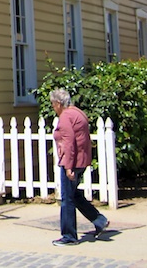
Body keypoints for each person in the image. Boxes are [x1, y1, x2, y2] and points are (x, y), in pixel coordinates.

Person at [49, 88, 109, 247]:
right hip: (81, 161)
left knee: (67, 199)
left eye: (53, 104)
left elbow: (69, 143)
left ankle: (69, 236)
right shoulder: (78, 113)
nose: (53, 108)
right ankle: (99, 220)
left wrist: (68, 167)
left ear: (58, 103)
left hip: (72, 162)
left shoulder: (66, 117)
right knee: (74, 195)